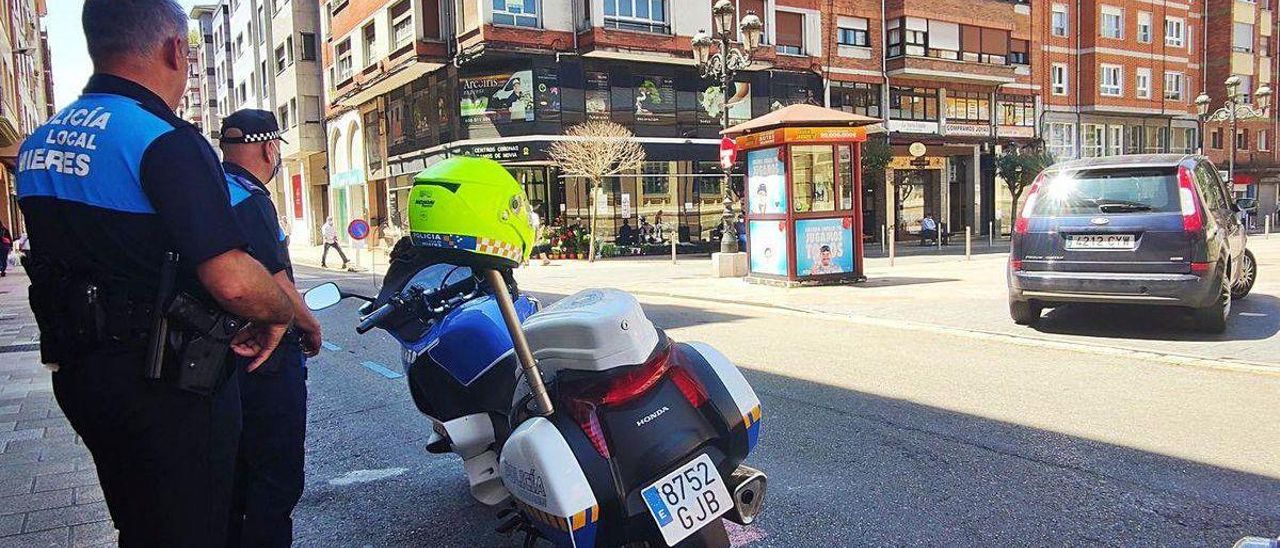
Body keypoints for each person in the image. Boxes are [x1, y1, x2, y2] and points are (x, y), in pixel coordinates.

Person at [15, 2, 294, 546]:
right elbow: (233, 279)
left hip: (81, 376)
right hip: (170, 386)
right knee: (193, 527)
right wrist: (280, 313)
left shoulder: (39, 144)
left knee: (140, 522)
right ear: (175, 50)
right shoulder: (163, 140)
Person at [219, 109, 323, 547]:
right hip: (265, 357)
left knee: (233, 482)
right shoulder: (250, 197)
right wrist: (311, 325)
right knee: (275, 481)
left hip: (217, 358)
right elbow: (276, 280)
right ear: (269, 148)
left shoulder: (208, 189)